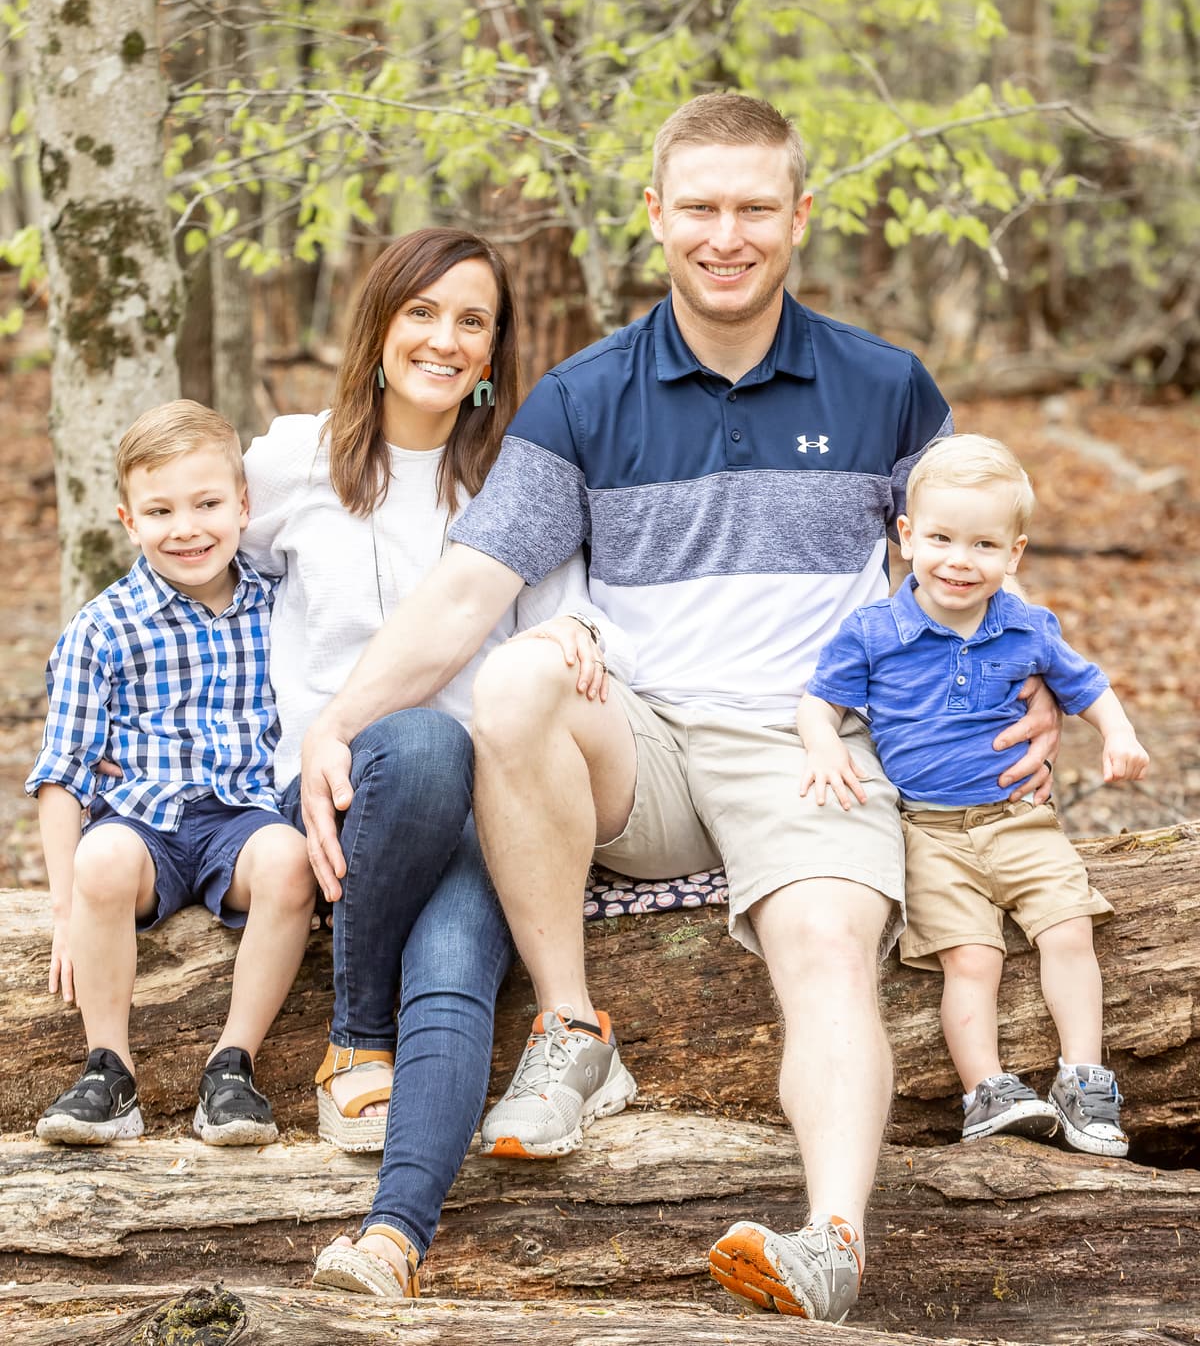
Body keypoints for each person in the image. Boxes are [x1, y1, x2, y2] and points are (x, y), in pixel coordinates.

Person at [299, 94, 1061, 1324]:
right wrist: (335, 723)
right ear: (655, 216)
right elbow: (464, 596)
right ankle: (568, 1026)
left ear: (799, 217)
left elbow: (975, 557)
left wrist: (1037, 687)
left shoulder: (887, 388)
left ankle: (830, 1242)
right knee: (515, 672)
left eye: (756, 207)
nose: (727, 233)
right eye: (699, 206)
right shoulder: (583, 400)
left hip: (808, 746)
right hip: (640, 749)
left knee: (826, 956)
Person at [239, 228, 624, 1299]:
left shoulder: (523, 479)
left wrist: (574, 636)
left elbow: (570, 627)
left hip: (489, 809)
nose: (445, 340)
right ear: (378, 326)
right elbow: (189, 567)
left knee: (455, 963)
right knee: (416, 738)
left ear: (496, 348)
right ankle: (358, 1035)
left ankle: (391, 1242)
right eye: (422, 312)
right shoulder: (287, 461)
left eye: (473, 321)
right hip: (343, 790)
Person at [796, 434, 1147, 1158]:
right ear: (906, 537)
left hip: (1021, 820)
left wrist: (1118, 735)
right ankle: (985, 1090)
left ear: (1014, 555)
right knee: (972, 959)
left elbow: (1087, 685)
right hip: (929, 833)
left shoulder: (1026, 625)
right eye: (942, 539)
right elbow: (817, 704)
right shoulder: (874, 632)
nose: (960, 560)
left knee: (1068, 930)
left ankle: (1084, 1077)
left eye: (985, 545)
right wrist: (825, 745)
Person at [27, 400, 315, 1148]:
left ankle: (232, 1066)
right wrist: (64, 907)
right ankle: (108, 1069)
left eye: (208, 504)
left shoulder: (280, 604)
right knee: (103, 856)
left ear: (244, 506)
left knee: (289, 861)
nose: (186, 528)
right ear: (128, 519)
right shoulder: (104, 628)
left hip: (242, 819)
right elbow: (64, 775)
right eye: (160, 510)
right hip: (142, 823)